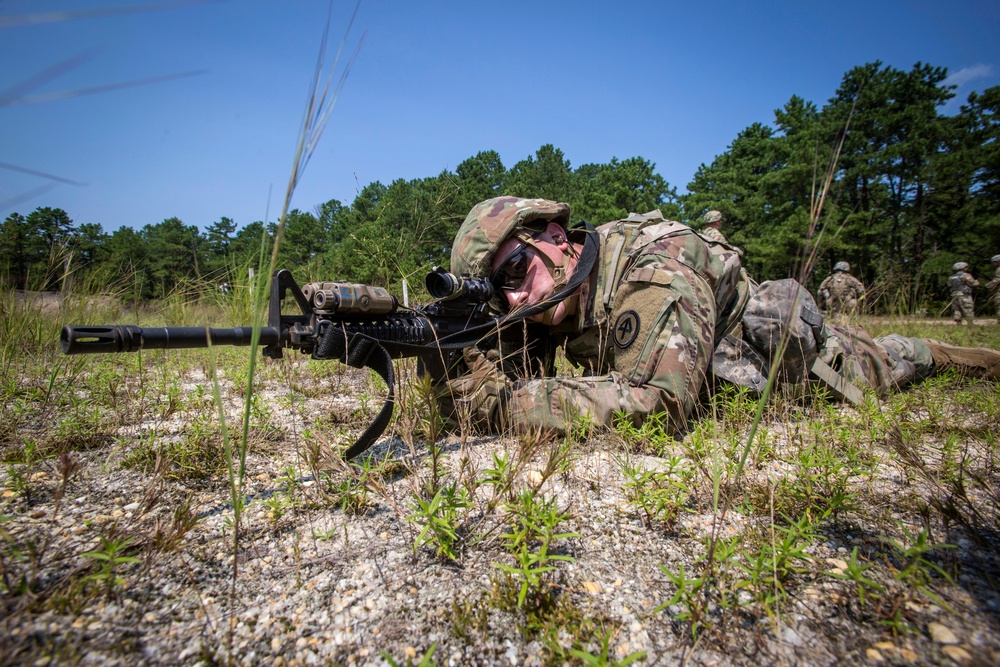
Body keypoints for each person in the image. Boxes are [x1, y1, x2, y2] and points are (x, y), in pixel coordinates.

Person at [437, 197, 1000, 436]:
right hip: (715, 376)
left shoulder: (655, 263)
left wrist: (503, 405)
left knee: (894, 362)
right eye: (494, 291)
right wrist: (443, 354)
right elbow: (483, 379)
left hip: (781, 362)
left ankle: (955, 354)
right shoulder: (550, 299)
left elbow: (656, 403)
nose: (512, 299)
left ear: (556, 237)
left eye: (513, 271)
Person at [987, 255, 1000, 324]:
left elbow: (997, 280)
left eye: (995, 262)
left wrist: (988, 286)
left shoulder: (999, 269)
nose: (993, 264)